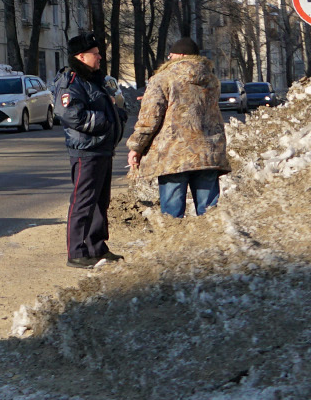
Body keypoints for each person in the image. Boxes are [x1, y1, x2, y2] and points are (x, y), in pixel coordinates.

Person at [128, 37, 231, 217]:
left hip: (173, 155)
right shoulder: (211, 80)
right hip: (208, 153)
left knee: (171, 216)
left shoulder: (162, 79)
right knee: (210, 215)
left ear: (181, 55)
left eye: (172, 55)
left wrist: (136, 146)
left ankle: (175, 244)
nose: (169, 58)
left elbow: (150, 118)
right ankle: (211, 243)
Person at [51, 33, 125, 268]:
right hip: (86, 151)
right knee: (82, 202)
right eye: (95, 53)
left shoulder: (94, 79)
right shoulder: (71, 81)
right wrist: (105, 120)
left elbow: (108, 104)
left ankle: (97, 247)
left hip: (102, 149)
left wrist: (117, 114)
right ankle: (77, 252)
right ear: (81, 56)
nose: (100, 57)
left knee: (100, 202)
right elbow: (70, 114)